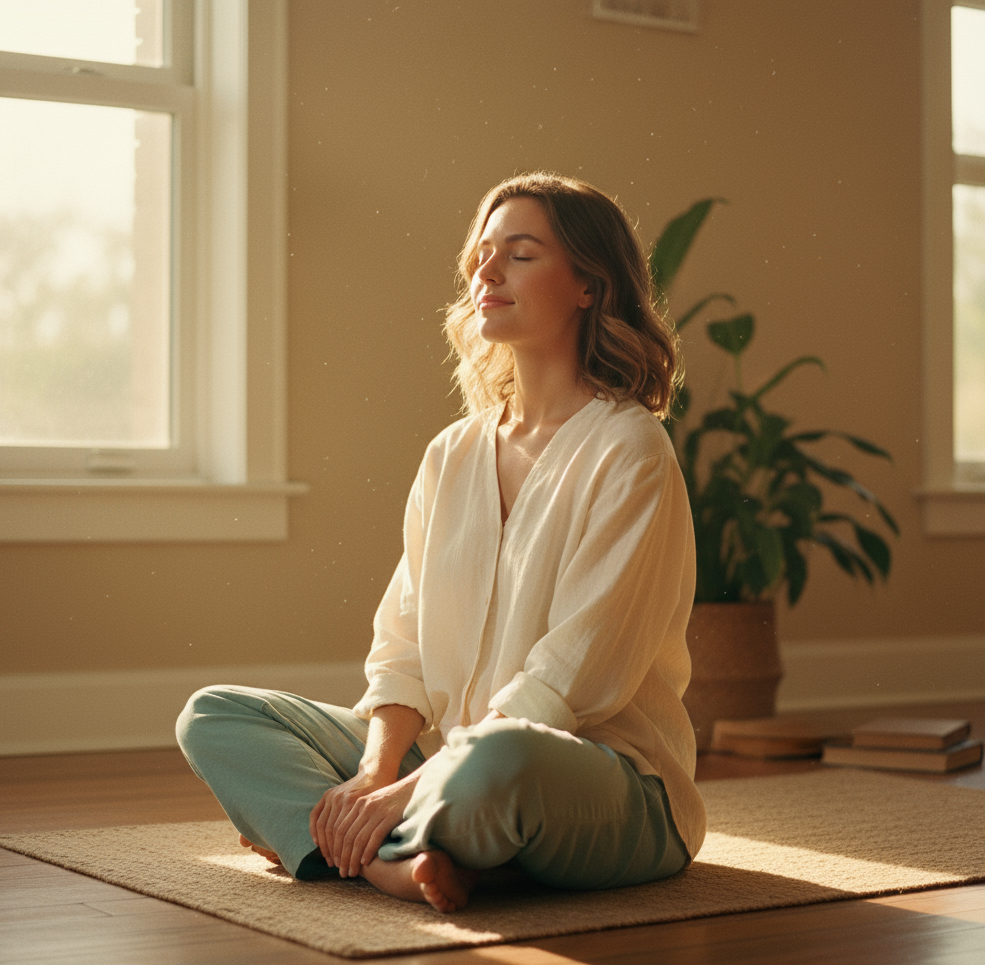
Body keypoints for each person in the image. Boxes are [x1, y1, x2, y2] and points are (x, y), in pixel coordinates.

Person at [176, 172, 706, 913]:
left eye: (519, 255)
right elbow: (403, 649)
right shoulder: (452, 453)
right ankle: (410, 860)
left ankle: (337, 844)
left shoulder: (631, 451)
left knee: (499, 758)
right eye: (482, 256)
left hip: (594, 779)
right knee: (216, 715)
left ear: (590, 285)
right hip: (444, 759)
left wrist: (404, 790)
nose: (486, 273)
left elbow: (564, 686)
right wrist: (373, 772)